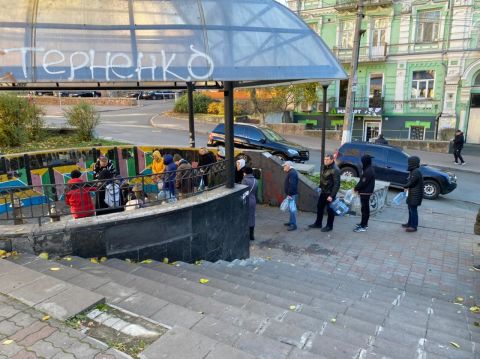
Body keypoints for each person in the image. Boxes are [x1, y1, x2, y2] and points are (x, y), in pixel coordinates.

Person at [309, 153, 340, 232]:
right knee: (319, 206)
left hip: (330, 193)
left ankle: (329, 226)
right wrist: (320, 187)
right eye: (325, 159)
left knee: (330, 210)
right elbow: (322, 178)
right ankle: (318, 223)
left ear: (332, 160)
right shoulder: (323, 166)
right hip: (323, 191)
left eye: (327, 160)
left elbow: (337, 184)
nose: (325, 161)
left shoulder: (335, 170)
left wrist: (332, 196)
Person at [353, 155, 375, 232]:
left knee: (365, 209)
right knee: (365, 209)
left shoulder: (368, 171)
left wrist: (356, 188)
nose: (362, 163)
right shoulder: (369, 168)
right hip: (366, 192)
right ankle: (363, 223)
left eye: (362, 161)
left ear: (365, 162)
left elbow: (363, 182)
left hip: (365, 192)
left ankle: (363, 226)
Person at [402, 156, 423, 232]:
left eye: (409, 162)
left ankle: (413, 226)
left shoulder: (416, 172)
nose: (408, 164)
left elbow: (411, 182)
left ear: (412, 163)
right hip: (412, 194)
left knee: (413, 210)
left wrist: (404, 185)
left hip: (415, 196)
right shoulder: (414, 171)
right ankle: (409, 223)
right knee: (410, 210)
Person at [242, 167, 258, 241]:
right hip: (253, 200)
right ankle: (252, 235)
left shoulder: (245, 180)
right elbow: (256, 193)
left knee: (245, 217)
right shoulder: (255, 180)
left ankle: (245, 235)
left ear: (245, 172)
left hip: (246, 201)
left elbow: (243, 192)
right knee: (252, 217)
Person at [283, 161, 299, 232]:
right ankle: (291, 222)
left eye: (285, 166)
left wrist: (289, 194)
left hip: (291, 194)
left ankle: (293, 224)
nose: (284, 167)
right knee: (291, 209)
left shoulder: (292, 173)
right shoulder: (291, 172)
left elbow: (292, 185)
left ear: (288, 166)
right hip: (291, 194)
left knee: (292, 209)